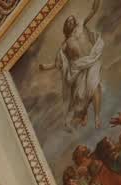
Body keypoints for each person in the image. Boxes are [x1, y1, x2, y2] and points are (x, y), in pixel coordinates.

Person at [38, 0, 104, 129]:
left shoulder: (81, 26)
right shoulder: (65, 45)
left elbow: (93, 10)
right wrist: (44, 67)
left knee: (95, 86)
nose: (71, 22)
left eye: (72, 20)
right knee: (81, 98)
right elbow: (57, 64)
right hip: (78, 68)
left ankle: (96, 116)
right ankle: (82, 114)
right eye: (68, 21)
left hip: (91, 61)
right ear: (65, 26)